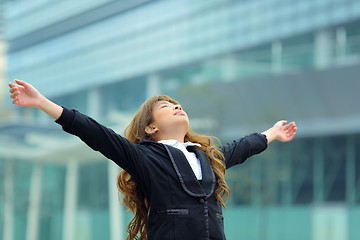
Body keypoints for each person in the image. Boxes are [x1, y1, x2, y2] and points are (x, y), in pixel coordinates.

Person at [9, 79, 296, 240]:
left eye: (177, 104)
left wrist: (272, 133)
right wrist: (42, 103)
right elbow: (96, 133)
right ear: (151, 127)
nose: (177, 106)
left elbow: (242, 147)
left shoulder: (207, 157)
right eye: (166, 106)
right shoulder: (145, 158)